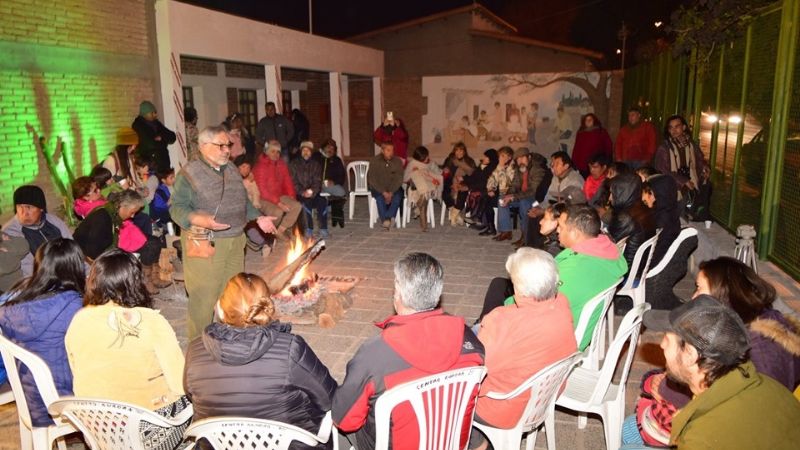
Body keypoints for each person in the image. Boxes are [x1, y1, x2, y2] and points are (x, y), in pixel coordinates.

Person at [332, 253, 485, 450]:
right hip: (451, 440)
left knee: (339, 424)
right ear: (437, 294)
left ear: (399, 294)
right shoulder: (470, 341)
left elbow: (346, 421)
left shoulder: (374, 354)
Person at [620, 296, 800, 450]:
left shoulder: (701, 438)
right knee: (629, 430)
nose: (661, 345)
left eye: (667, 339)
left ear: (690, 355)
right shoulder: (760, 382)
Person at [184, 273, 336, 450]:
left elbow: (190, 394)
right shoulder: (291, 348)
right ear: (267, 308)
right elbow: (329, 398)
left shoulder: (195, 349)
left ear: (220, 308)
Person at [65, 249, 191, 450]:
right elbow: (179, 383)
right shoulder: (151, 321)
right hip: (147, 433)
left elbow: (77, 371)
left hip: (99, 429)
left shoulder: (79, 320)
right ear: (135, 282)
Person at [170, 125, 277, 340]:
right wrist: (200, 219)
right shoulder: (189, 173)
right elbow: (177, 207)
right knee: (204, 297)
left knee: (231, 294)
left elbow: (242, 201)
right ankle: (197, 348)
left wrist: (258, 217)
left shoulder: (231, 170)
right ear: (203, 146)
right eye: (221, 145)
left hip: (236, 241)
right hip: (207, 243)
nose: (227, 150)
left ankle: (227, 339)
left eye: (228, 145)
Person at [478, 205, 626, 351]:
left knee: (498, 301)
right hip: (565, 311)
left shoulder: (575, 268)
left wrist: (507, 304)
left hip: (554, 332)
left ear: (575, 233)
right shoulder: (608, 251)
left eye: (561, 226)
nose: (558, 230)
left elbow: (536, 303)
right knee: (499, 284)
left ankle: (482, 338)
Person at [470, 249, 576, 448]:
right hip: (543, 396)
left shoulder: (501, 321)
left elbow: (477, 369)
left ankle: (477, 443)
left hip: (503, 408)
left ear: (519, 288)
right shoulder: (561, 303)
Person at [0, 239, 84, 428]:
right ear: (75, 267)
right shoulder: (75, 306)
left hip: (31, 403)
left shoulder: (13, 297)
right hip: (64, 405)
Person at [696, 257, 800, 390]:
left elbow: (762, 401)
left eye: (699, 288)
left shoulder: (760, 348)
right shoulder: (737, 327)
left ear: (724, 295)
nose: (694, 297)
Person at [73, 190, 169, 293]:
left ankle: (152, 278)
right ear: (122, 206)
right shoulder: (102, 218)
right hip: (88, 254)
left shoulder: (113, 213)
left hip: (105, 245)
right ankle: (143, 281)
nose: (133, 216)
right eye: (132, 212)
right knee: (129, 258)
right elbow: (93, 251)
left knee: (153, 242)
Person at [2, 185, 72, 278]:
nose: (24, 212)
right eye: (19, 207)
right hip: (38, 282)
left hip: (66, 274)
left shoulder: (54, 222)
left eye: (29, 207)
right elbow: (27, 272)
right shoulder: (10, 233)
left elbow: (72, 251)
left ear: (41, 208)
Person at [654, 115, 711, 220]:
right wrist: (683, 181)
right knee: (675, 216)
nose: (674, 130)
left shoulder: (691, 144)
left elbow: (699, 159)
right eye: (671, 127)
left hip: (691, 184)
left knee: (686, 214)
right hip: (674, 188)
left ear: (684, 127)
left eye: (677, 126)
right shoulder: (665, 147)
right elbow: (662, 170)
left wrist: (705, 167)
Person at [605, 173, 657, 273]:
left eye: (612, 193)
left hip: (624, 271)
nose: (609, 198)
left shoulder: (625, 217)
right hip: (639, 268)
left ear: (622, 192)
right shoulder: (643, 210)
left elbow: (607, 247)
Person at [253, 140, 302, 238]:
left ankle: (279, 231)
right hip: (262, 198)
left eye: (278, 152)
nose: (276, 154)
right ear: (266, 151)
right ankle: (268, 233)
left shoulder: (281, 164)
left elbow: (287, 182)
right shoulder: (260, 167)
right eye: (273, 151)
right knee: (277, 212)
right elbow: (262, 190)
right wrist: (279, 203)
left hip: (278, 196)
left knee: (296, 206)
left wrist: (292, 197)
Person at [495, 148, 545, 244]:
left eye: (522, 158)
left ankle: (525, 236)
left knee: (524, 203)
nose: (520, 161)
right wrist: (508, 195)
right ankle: (506, 231)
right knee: (501, 198)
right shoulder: (519, 169)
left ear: (529, 157)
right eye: (517, 159)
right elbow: (514, 185)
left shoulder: (537, 170)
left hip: (535, 199)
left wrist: (513, 197)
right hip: (520, 196)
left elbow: (532, 191)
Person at [290, 141, 328, 238]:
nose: (306, 152)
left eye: (308, 150)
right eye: (304, 150)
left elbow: (317, 181)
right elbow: (293, 181)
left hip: (313, 193)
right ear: (301, 151)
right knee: (305, 204)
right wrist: (303, 192)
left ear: (311, 152)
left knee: (323, 202)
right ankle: (309, 229)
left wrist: (312, 191)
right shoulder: (294, 164)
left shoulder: (316, 165)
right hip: (300, 193)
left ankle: (323, 228)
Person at [642, 174, 681, 266]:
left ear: (655, 194)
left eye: (647, 192)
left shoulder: (661, 221)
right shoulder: (670, 213)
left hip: (647, 267)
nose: (643, 196)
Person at [403, 146, 443, 232]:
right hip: (413, 188)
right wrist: (414, 173)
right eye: (425, 157)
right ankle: (424, 225)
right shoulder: (412, 163)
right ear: (419, 158)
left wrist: (428, 174)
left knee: (424, 195)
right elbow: (405, 178)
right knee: (417, 176)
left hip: (427, 188)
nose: (427, 158)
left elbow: (438, 173)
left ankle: (420, 211)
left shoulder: (430, 163)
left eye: (427, 156)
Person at [368, 142, 404, 230]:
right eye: (388, 150)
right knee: (379, 198)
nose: (391, 153)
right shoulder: (374, 161)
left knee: (398, 197)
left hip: (393, 188)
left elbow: (399, 178)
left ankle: (386, 218)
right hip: (379, 188)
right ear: (382, 151)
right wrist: (383, 192)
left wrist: (391, 192)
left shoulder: (397, 161)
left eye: (392, 150)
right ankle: (387, 219)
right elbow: (372, 179)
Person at [132, 100, 177, 172]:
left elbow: (172, 137)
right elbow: (150, 144)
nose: (155, 115)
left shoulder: (156, 123)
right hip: (150, 164)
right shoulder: (138, 126)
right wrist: (164, 141)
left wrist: (161, 137)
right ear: (144, 114)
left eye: (155, 112)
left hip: (163, 163)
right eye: (152, 113)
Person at [312, 138, 347, 228]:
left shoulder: (336, 160)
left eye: (332, 149)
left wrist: (334, 182)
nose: (330, 150)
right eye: (328, 147)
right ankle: (319, 208)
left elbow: (342, 176)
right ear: (323, 147)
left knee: (341, 192)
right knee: (314, 195)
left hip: (327, 184)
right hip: (315, 183)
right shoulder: (315, 156)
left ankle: (329, 208)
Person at [441, 142, 477, 225]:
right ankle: (456, 214)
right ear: (454, 151)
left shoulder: (469, 161)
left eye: (461, 150)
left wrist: (463, 179)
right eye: (457, 150)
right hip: (450, 181)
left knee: (462, 192)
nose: (459, 153)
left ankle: (454, 213)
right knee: (445, 192)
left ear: (464, 152)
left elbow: (474, 175)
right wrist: (445, 170)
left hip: (464, 181)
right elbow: (445, 171)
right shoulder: (450, 159)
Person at [482, 147, 515, 237]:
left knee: (499, 200)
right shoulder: (500, 166)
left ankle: (504, 231)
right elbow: (492, 179)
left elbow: (507, 183)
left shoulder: (513, 168)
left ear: (509, 157)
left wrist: (501, 168)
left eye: (503, 156)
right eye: (500, 156)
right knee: (485, 197)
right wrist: (490, 189)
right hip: (500, 192)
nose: (500, 158)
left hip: (511, 194)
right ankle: (490, 227)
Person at [464, 149, 498, 234]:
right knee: (475, 194)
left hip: (492, 191)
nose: (483, 158)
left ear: (490, 158)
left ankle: (479, 220)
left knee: (481, 196)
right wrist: (464, 181)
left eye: (486, 157)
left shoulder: (493, 168)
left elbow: (485, 183)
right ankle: (479, 220)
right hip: (484, 189)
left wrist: (469, 187)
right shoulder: (482, 166)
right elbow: (474, 177)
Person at [570, 113, 613, 178]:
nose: (588, 121)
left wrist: (607, 160)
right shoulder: (580, 133)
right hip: (583, 164)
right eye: (586, 120)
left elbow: (608, 146)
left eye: (590, 119)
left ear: (594, 121)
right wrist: (574, 162)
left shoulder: (601, 131)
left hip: (597, 163)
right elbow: (577, 148)